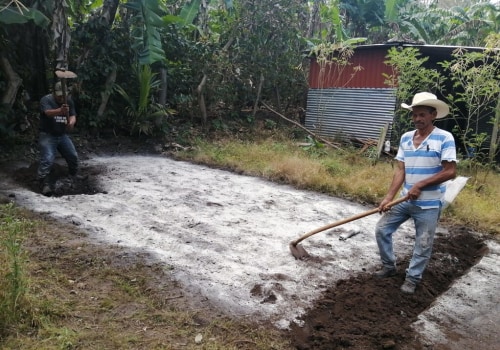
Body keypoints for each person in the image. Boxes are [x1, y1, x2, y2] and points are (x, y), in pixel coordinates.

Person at [374, 92, 457, 294]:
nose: (417, 119)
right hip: (404, 200)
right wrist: (388, 198)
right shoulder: (405, 138)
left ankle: (412, 278)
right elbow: (401, 170)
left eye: (422, 115)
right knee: (382, 229)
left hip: (429, 204)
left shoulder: (444, 138)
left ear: (433, 115)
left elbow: (450, 171)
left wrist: (420, 185)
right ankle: (389, 266)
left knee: (423, 243)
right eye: (414, 115)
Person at [37, 81, 82, 196]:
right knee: (47, 158)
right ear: (54, 93)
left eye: (63, 95)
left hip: (62, 135)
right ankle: (43, 182)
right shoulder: (46, 100)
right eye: (59, 96)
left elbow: (73, 115)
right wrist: (60, 111)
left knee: (73, 156)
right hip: (47, 134)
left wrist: (71, 123)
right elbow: (47, 113)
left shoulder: (69, 101)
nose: (62, 98)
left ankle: (73, 175)